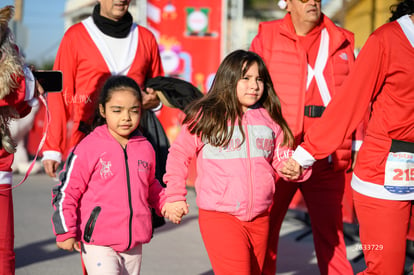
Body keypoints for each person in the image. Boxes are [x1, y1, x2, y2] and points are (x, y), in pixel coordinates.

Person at [283, 0, 414, 274]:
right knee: (384, 268)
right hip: (385, 174)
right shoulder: (387, 40)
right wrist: (306, 154)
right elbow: (349, 103)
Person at [162, 50, 311, 275]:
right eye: (246, 78)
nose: (254, 85)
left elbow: (280, 155)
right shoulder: (207, 115)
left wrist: (292, 167)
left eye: (259, 79)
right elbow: (179, 154)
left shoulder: (269, 118)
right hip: (220, 216)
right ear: (228, 78)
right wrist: (174, 196)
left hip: (260, 216)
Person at [249, 0, 363, 274]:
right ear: (286, 3)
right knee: (264, 230)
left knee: (332, 235)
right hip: (279, 149)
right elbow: (248, 93)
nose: (313, 1)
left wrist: (358, 142)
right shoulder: (267, 37)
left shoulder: (342, 41)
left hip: (327, 151)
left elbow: (359, 98)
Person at [41, 0, 167, 228]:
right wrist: (53, 146)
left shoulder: (146, 38)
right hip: (87, 143)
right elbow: (58, 94)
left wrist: (154, 100)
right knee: (92, 223)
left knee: (132, 224)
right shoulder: (75, 36)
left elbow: (158, 89)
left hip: (133, 146)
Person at [51, 75, 181, 275]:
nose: (126, 118)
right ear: (103, 110)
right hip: (98, 242)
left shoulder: (145, 146)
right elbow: (67, 191)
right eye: (117, 110)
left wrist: (167, 204)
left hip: (134, 242)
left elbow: (151, 185)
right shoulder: (89, 146)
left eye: (134, 111)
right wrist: (65, 231)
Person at [0, 5, 42, 274]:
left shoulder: (11, 58)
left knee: (4, 251)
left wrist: (27, 86)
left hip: (0, 167)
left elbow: (23, 105)